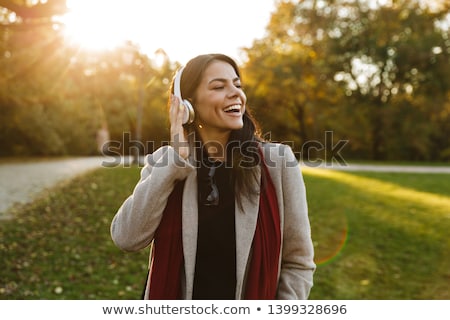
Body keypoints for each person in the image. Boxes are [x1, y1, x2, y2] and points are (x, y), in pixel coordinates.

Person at [110, 53, 316, 300]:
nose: (235, 93)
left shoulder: (278, 163)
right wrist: (175, 162)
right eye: (219, 86)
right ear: (187, 106)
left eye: (237, 85)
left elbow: (298, 263)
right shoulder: (167, 161)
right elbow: (127, 238)